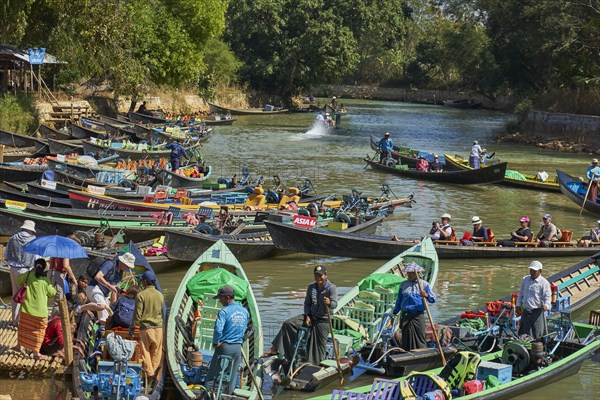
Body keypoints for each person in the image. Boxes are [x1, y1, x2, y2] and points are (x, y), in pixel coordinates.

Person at [263, 265, 338, 365]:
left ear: (326, 275)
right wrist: (307, 316)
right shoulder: (312, 287)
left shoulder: (331, 288)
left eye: (320, 275)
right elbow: (307, 303)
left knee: (318, 347)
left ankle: (316, 365)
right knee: (288, 324)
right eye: (316, 275)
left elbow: (334, 305)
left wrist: (329, 302)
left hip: (323, 320)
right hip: (311, 316)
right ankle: (276, 349)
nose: (318, 278)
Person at [205, 285, 249, 394]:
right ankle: (228, 395)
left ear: (227, 297)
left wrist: (216, 343)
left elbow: (218, 330)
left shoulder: (224, 312)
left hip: (224, 347)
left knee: (212, 374)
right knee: (232, 376)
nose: (220, 301)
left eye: (221, 298)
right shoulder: (245, 311)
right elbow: (243, 329)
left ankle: (207, 394)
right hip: (237, 348)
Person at [14, 259, 56, 360]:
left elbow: (19, 280)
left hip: (26, 309)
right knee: (39, 332)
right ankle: (36, 353)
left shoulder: (28, 275)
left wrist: (30, 272)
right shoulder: (45, 280)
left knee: (24, 328)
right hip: (40, 313)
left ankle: (19, 346)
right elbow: (52, 293)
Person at [391, 262, 435, 350]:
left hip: (417, 315)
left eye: (412, 273)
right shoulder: (403, 285)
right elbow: (399, 301)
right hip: (406, 315)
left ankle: (421, 352)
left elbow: (433, 299)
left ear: (417, 273)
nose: (410, 275)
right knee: (406, 337)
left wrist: (426, 295)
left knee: (419, 336)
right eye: (408, 273)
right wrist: (395, 312)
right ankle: (406, 352)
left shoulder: (424, 284)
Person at [130, 271, 164, 382]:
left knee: (146, 352)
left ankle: (149, 374)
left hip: (146, 329)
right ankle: (152, 375)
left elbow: (137, 314)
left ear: (145, 281)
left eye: (142, 280)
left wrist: (132, 327)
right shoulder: (160, 295)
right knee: (156, 352)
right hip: (158, 328)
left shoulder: (141, 295)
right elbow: (161, 312)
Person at [86, 253, 136, 325]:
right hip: (94, 287)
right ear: (122, 262)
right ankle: (82, 308)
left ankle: (102, 330)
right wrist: (110, 286)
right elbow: (98, 277)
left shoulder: (120, 273)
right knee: (102, 306)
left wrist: (113, 305)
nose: (128, 268)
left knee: (108, 316)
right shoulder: (110, 264)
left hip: (105, 294)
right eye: (127, 266)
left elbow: (113, 290)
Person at [5, 220, 37, 326]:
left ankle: (15, 320)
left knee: (15, 294)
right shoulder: (33, 240)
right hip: (26, 270)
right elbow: (37, 258)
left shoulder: (12, 238)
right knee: (25, 296)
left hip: (13, 268)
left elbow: (6, 256)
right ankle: (22, 321)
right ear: (31, 230)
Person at [517, 261, 551, 339]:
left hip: (537, 312)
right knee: (524, 333)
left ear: (540, 271)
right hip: (526, 311)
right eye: (531, 270)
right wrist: (518, 305)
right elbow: (521, 293)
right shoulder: (525, 279)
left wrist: (546, 306)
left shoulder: (544, 283)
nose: (532, 272)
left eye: (534, 271)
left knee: (537, 334)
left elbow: (548, 297)